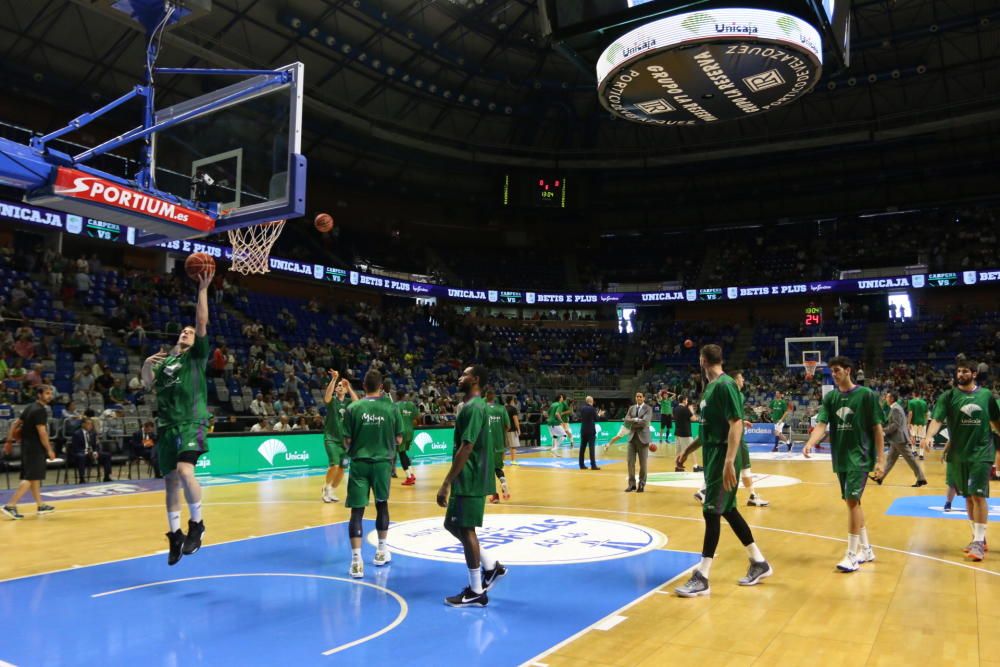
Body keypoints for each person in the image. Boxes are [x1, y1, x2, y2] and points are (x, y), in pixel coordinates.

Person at [674, 345, 772, 597]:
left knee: (711, 512)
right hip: (714, 455)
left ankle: (702, 576)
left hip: (723, 458)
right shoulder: (709, 389)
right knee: (727, 509)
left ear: (702, 360)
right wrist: (687, 451)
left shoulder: (726, 385)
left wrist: (729, 461)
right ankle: (759, 562)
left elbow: (736, 423)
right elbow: (708, 430)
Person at [141, 267, 214, 566]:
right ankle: (175, 534)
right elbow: (146, 383)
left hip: (191, 421)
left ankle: (197, 524)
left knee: (186, 472)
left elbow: (201, 320)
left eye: (190, 332)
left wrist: (202, 289)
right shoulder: (165, 362)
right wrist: (146, 362)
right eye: (183, 331)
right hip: (167, 426)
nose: (187, 332)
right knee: (171, 482)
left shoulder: (196, 357)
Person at [803, 355, 886, 573]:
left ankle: (851, 555)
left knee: (851, 500)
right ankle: (866, 549)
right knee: (854, 503)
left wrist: (881, 459)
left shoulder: (866, 395)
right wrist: (810, 443)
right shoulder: (830, 398)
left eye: (838, 370)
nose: (834, 374)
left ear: (848, 370)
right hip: (840, 457)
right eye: (832, 371)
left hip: (860, 457)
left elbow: (877, 428)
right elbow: (822, 424)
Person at [437, 365, 507, 608]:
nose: (460, 377)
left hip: (470, 477)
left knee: (466, 531)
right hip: (467, 477)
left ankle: (477, 590)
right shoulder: (471, 406)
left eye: (465, 374)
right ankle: (490, 566)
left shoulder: (476, 407)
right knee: (451, 524)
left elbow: (466, 447)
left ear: (476, 379)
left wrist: (446, 482)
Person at [921, 359, 1000, 561]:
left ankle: (979, 542)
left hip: (982, 452)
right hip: (958, 454)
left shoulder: (985, 396)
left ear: (974, 374)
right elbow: (937, 419)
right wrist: (929, 436)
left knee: (978, 495)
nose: (960, 374)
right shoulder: (948, 397)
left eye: (965, 371)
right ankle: (977, 537)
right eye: (958, 371)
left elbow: (996, 421)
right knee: (967, 497)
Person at [343, 370, 402, 579]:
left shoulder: (353, 408)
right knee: (382, 505)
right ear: (381, 387)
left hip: (359, 464)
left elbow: (347, 441)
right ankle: (380, 551)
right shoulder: (391, 408)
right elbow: (399, 440)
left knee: (357, 512)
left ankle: (357, 562)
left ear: (363, 386)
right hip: (382, 464)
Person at [2, 384, 57, 520]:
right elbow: (42, 432)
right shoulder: (40, 410)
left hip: (27, 446)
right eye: (47, 393)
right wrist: (49, 449)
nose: (50, 396)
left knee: (34, 477)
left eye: (51, 393)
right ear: (39, 395)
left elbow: (15, 424)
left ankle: (40, 505)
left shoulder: (30, 407)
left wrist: (9, 441)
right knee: (29, 477)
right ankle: (10, 505)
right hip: (35, 448)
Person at [871, 391, 926, 487]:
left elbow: (895, 424)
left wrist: (883, 431)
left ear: (892, 399)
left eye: (887, 397)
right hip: (896, 439)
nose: (885, 399)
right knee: (890, 460)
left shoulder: (896, 409)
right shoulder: (896, 408)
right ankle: (880, 478)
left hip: (899, 439)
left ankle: (921, 479)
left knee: (911, 460)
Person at [321, 371, 349, 503]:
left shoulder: (349, 403)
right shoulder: (332, 401)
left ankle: (332, 489)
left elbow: (358, 403)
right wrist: (334, 379)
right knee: (334, 465)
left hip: (345, 441)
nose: (340, 386)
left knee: (343, 467)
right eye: (338, 385)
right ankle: (325, 488)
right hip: (331, 438)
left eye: (342, 385)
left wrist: (350, 388)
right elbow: (326, 396)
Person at [485, 389, 511, 504]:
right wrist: (499, 433)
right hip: (499, 444)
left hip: (485, 444)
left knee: (487, 470)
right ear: (494, 397)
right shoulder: (501, 408)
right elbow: (507, 426)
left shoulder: (481, 408)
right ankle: (503, 483)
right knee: (498, 468)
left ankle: (494, 496)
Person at [623, 391, 652, 493]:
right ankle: (632, 484)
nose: (638, 398)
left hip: (643, 439)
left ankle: (642, 484)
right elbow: (626, 419)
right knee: (630, 462)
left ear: (644, 398)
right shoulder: (631, 408)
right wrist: (636, 420)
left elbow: (644, 422)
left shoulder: (648, 408)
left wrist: (632, 422)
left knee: (643, 464)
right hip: (631, 438)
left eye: (640, 396)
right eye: (637, 396)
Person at [69, 417, 112, 483]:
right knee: (81, 456)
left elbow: (96, 446)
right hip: (82, 453)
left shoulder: (93, 433)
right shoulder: (76, 434)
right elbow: (75, 448)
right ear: (83, 424)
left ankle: (107, 476)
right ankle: (82, 478)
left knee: (107, 455)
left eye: (91, 424)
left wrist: (95, 452)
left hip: (92, 453)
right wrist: (86, 452)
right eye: (88, 424)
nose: (90, 426)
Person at [395, 390, 419, 486]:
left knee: (401, 454)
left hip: (401, 432)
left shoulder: (396, 405)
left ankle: (409, 477)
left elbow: (394, 420)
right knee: (404, 453)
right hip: (410, 431)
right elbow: (418, 417)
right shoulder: (411, 405)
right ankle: (411, 473)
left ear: (397, 396)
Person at [673, 396, 698, 470]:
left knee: (678, 451)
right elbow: (694, 419)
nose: (687, 402)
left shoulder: (675, 409)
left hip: (677, 432)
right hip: (685, 433)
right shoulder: (685, 409)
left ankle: (678, 466)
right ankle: (695, 466)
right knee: (692, 449)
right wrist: (691, 410)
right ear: (684, 401)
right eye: (686, 400)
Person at [578, 395, 600, 470]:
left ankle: (581, 465)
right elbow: (596, 419)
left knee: (582, 448)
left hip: (583, 430)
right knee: (591, 448)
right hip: (590, 431)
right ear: (591, 401)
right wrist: (599, 414)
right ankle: (593, 465)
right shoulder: (592, 409)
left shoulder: (582, 408)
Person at [908, 390, 929, 460]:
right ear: (919, 395)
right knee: (922, 438)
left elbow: (910, 413)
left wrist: (908, 423)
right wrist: (925, 422)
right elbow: (926, 414)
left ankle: (914, 451)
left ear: (913, 394)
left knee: (912, 436)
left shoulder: (911, 402)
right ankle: (921, 455)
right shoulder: (924, 402)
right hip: (922, 423)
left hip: (914, 422)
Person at [504, 396, 521, 466]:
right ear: (511, 401)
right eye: (514, 400)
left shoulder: (503, 408)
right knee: (513, 446)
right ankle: (513, 460)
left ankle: (502, 461)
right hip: (512, 429)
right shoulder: (513, 409)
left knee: (503, 446)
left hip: (504, 430)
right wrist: (518, 429)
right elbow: (515, 420)